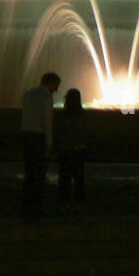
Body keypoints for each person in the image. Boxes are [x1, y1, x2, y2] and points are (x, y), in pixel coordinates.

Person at [20, 73, 59, 220]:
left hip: (26, 136)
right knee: (39, 175)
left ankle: (25, 207)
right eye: (56, 85)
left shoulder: (27, 95)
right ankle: (37, 208)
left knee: (28, 173)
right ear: (50, 83)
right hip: (38, 138)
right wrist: (49, 144)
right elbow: (47, 123)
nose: (56, 89)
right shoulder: (46, 98)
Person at [55, 88, 88, 215]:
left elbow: (58, 132)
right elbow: (85, 132)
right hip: (79, 150)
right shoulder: (83, 115)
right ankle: (79, 204)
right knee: (79, 178)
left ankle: (63, 204)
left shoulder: (62, 115)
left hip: (65, 150)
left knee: (64, 178)